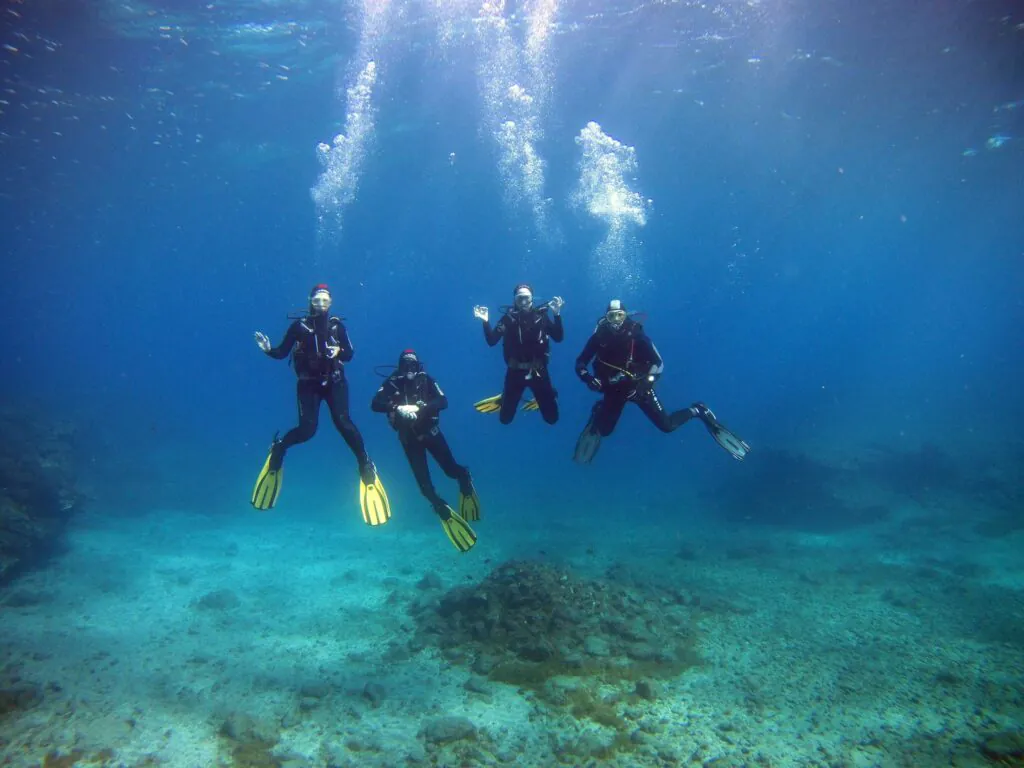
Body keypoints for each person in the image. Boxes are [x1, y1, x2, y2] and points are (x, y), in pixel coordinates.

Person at [250, 284, 390, 526]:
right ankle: (279, 449)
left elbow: (349, 354)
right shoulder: (299, 327)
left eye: (325, 301)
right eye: (318, 300)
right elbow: (282, 352)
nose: (322, 305)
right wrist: (267, 349)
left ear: (331, 302)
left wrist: (338, 351)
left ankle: (364, 464)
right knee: (307, 430)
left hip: (335, 382)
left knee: (344, 423)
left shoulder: (338, 326)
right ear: (310, 301)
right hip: (308, 385)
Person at [572, 299, 750, 464]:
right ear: (606, 318)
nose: (616, 320)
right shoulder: (598, 338)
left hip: (638, 389)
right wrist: (587, 378)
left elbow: (658, 363)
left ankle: (698, 410)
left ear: (626, 316)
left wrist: (646, 384)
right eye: (612, 316)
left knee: (668, 426)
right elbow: (580, 362)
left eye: (620, 315)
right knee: (604, 431)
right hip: (613, 391)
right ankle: (598, 411)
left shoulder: (636, 336)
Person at [371, 350, 478, 552]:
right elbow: (375, 404)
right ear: (400, 366)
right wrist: (396, 407)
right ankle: (440, 507)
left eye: (412, 365)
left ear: (418, 366)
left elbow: (443, 401)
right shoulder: (392, 382)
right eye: (405, 365)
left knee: (450, 470)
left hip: (431, 433)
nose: (409, 370)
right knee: (425, 487)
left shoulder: (426, 380)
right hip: (409, 440)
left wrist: (422, 408)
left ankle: (464, 477)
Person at [472, 283, 565, 424]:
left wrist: (557, 314)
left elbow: (558, 337)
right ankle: (505, 398)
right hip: (515, 373)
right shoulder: (508, 319)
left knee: (552, 419)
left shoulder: (541, 317)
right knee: (505, 420)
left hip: (539, 372)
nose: (523, 302)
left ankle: (550, 393)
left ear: (532, 299)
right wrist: (485, 321)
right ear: (514, 300)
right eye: (519, 299)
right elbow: (492, 340)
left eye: (526, 298)